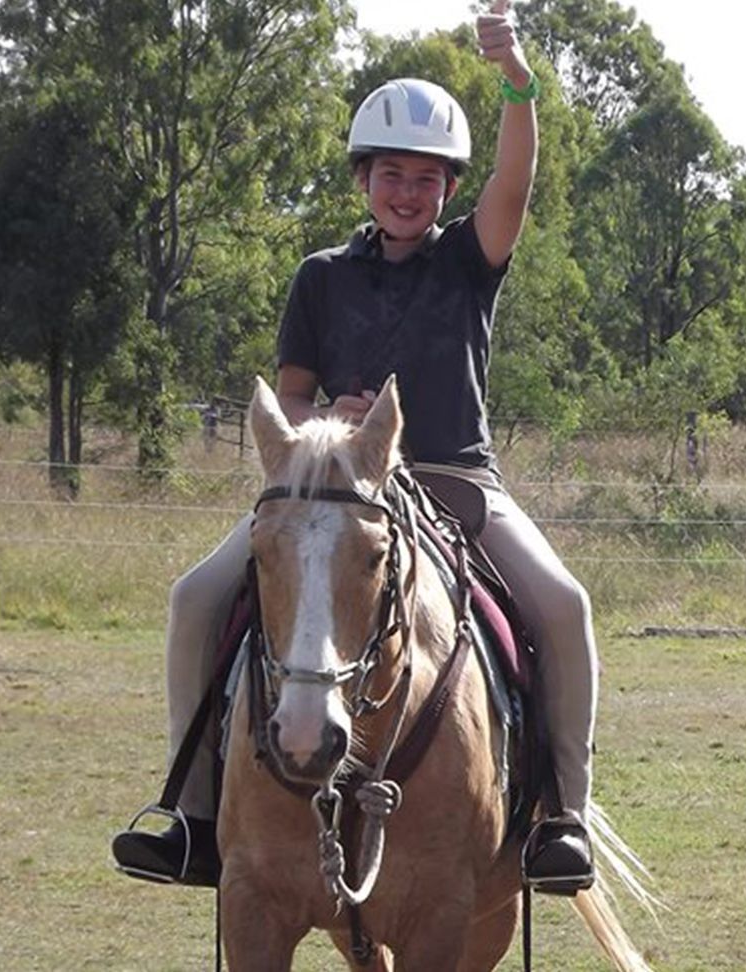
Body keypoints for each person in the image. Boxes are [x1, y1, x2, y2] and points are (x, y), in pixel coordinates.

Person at [112, 0, 599, 892]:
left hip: (455, 483)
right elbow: (289, 400)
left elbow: (516, 180)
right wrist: (325, 415)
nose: (407, 193)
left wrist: (518, 84)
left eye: (426, 179)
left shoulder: (469, 261)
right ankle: (191, 816)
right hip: (327, 491)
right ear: (363, 178)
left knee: (564, 607)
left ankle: (560, 819)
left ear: (449, 190)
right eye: (390, 176)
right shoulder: (320, 278)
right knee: (194, 598)